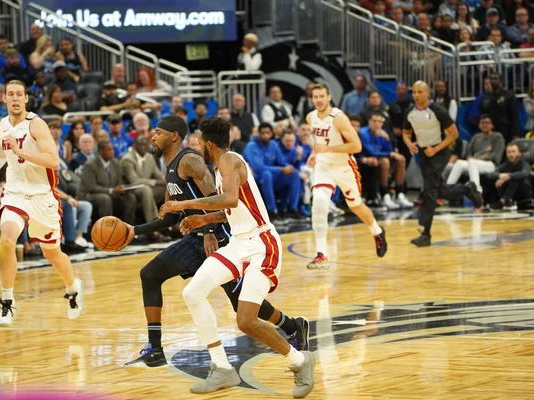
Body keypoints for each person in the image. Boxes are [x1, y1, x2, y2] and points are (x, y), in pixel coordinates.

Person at [120, 116, 308, 369]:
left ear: (176, 136)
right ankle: (160, 350)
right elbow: (174, 213)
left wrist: (207, 227)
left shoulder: (196, 161)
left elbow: (221, 198)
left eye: (158, 132)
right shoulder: (175, 168)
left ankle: (292, 334)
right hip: (209, 239)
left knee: (242, 309)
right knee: (154, 275)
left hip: (222, 239)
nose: (153, 136)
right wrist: (135, 230)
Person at [0, 80, 84, 326]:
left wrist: (20, 153)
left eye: (20, 94)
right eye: (11, 94)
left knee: (53, 254)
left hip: (42, 196)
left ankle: (73, 287)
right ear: (4, 99)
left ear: (26, 99)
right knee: (7, 241)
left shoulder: (36, 124)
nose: (15, 98)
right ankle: (7, 302)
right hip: (15, 193)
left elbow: (52, 161)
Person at [305, 83, 388, 269]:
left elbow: (356, 146)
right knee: (318, 203)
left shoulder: (339, 118)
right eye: (315, 97)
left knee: (356, 205)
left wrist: (328, 149)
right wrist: (314, 154)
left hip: (344, 166)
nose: (318, 100)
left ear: (329, 97)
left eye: (321, 96)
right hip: (323, 165)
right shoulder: (311, 117)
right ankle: (321, 255)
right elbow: (319, 143)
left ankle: (377, 231)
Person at [402, 81, 482, 247]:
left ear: (427, 93)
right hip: (424, 154)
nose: (416, 95)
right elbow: (405, 132)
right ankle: (467, 189)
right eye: (414, 92)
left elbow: (453, 134)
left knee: (429, 191)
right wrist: (409, 144)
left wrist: (436, 149)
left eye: (420, 92)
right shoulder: (410, 111)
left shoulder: (438, 110)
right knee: (439, 190)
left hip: (440, 152)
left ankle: (425, 233)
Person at [445, 114, 505, 194]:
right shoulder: (476, 137)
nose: (484, 125)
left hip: (491, 165)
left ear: (492, 125)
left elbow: (495, 156)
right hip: (473, 163)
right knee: (459, 163)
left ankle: (476, 192)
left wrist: (478, 159)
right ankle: (447, 191)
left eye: (487, 122)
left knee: (472, 162)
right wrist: (472, 159)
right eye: (482, 123)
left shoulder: (498, 137)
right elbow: (469, 154)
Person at [486, 142, 532, 210]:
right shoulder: (505, 165)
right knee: (498, 178)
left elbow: (524, 173)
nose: (511, 154)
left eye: (513, 152)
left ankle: (503, 201)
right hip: (511, 193)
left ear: (519, 153)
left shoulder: (524, 164)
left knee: (515, 178)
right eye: (509, 152)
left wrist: (508, 177)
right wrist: (500, 175)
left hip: (524, 192)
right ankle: (508, 201)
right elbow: (490, 174)